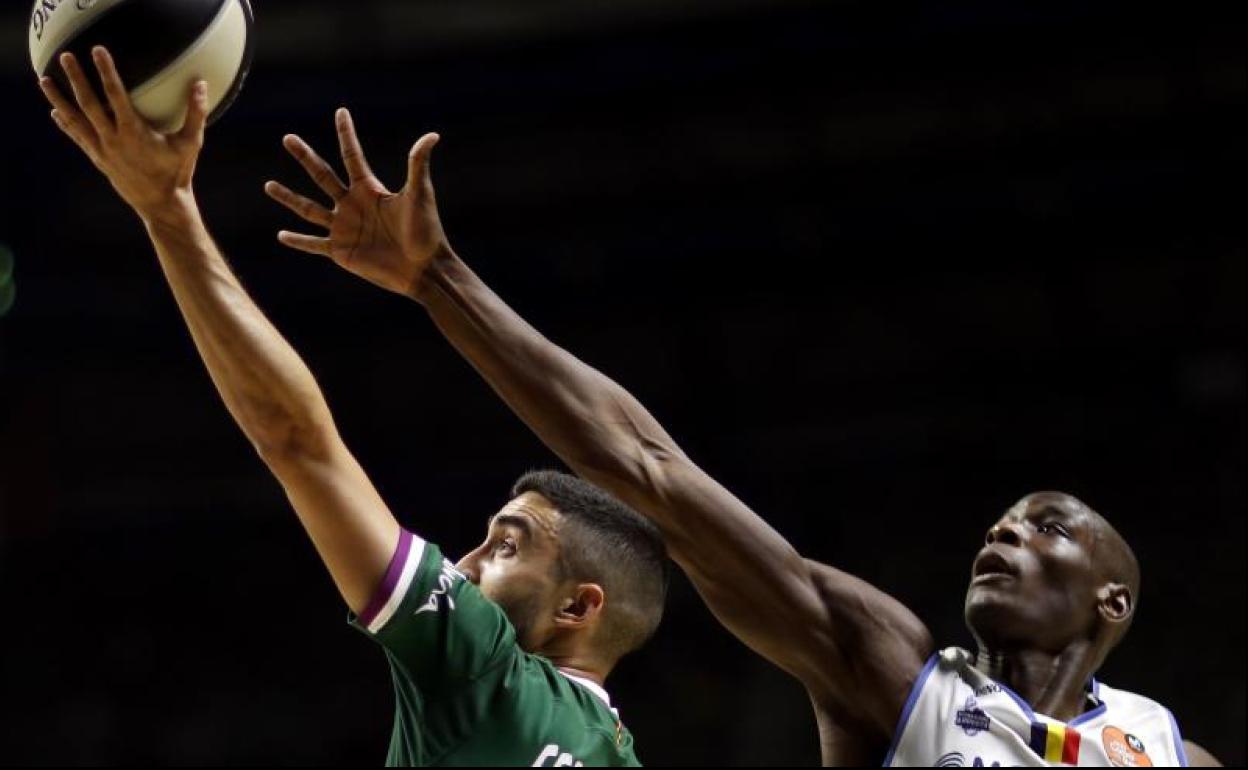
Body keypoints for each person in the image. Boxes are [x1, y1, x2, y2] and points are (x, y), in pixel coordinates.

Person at [262, 104, 1224, 767]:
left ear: (1113, 602)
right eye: (1005, 522)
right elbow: (649, 471)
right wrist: (441, 283)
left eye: (1046, 526)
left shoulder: (1171, 750)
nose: (1004, 534)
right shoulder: (891, 670)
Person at [37, 48, 669, 767]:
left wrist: (166, 209)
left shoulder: (482, 667)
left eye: (506, 545)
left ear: (579, 609)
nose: (461, 565)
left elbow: (296, 440)